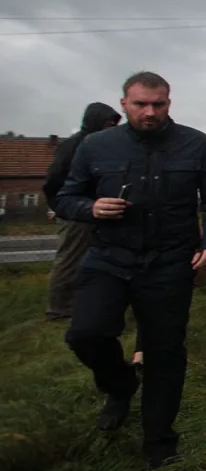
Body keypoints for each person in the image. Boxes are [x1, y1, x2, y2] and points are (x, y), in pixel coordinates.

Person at [57, 72, 206, 469]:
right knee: (85, 333)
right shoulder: (96, 146)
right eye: (141, 104)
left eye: (159, 104)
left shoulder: (196, 144)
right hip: (109, 257)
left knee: (164, 353)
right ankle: (120, 385)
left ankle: (158, 443)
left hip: (170, 261)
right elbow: (67, 196)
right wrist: (91, 208)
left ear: (169, 103)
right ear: (124, 104)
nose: (150, 112)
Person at [42, 101, 120, 320]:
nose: (112, 128)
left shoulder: (98, 145)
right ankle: (59, 310)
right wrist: (64, 208)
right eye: (107, 123)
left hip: (93, 212)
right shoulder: (76, 145)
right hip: (76, 213)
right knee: (70, 259)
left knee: (91, 260)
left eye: (114, 124)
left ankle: (82, 304)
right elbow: (53, 181)